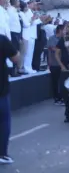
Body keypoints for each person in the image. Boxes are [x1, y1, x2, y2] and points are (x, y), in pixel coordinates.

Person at [0, 34, 20, 164]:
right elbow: (15, 58)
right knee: (3, 121)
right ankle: (2, 154)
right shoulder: (2, 39)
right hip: (1, 89)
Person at [47, 25, 65, 105]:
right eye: (64, 30)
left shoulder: (64, 39)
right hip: (54, 64)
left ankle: (61, 97)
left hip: (62, 64)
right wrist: (62, 50)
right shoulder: (52, 38)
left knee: (61, 81)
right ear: (60, 30)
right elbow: (52, 48)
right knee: (55, 82)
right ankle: (56, 99)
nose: (66, 31)